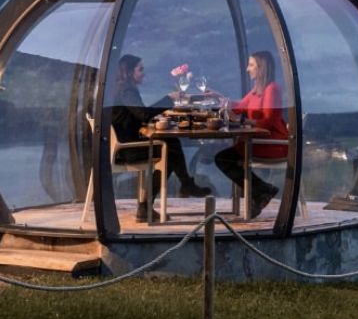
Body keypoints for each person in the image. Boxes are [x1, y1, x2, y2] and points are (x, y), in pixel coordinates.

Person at [110, 54, 210, 221]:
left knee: (171, 143)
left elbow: (137, 115)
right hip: (126, 150)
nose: (143, 73)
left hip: (124, 145)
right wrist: (168, 99)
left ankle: (185, 185)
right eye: (140, 69)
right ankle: (148, 206)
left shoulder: (121, 88)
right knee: (170, 151)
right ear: (128, 72)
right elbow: (142, 114)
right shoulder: (126, 90)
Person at [215, 50, 289, 219]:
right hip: (258, 141)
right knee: (225, 158)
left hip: (274, 144)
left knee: (224, 159)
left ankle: (262, 191)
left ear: (261, 67)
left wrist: (242, 121)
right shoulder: (257, 89)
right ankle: (261, 191)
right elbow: (239, 106)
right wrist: (218, 98)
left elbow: (268, 121)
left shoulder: (272, 89)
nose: (248, 69)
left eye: (251, 65)